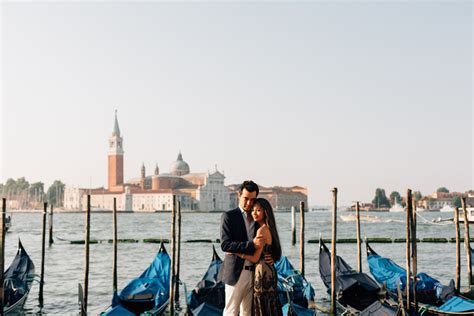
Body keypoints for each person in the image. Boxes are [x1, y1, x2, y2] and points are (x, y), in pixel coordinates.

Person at [218, 180, 263, 316]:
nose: (249, 203)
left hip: (254, 273)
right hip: (235, 273)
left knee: (248, 313)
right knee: (231, 312)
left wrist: (268, 255)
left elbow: (266, 241)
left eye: (252, 200)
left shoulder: (258, 217)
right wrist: (251, 245)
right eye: (246, 199)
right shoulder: (229, 216)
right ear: (239, 195)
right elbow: (225, 245)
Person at [235, 198, 283, 316]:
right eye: (252, 210)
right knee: (270, 304)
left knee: (261, 305)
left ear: (265, 212)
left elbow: (255, 258)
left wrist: (237, 252)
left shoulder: (261, 231)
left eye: (258, 210)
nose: (254, 213)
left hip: (262, 271)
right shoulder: (269, 229)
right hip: (270, 270)